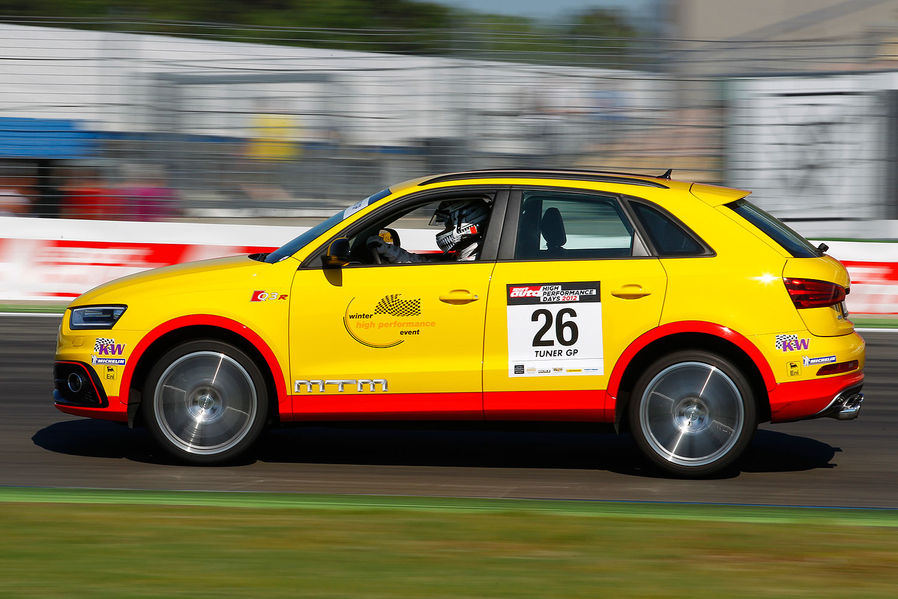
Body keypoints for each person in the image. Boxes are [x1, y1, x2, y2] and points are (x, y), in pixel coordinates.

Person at [367, 199, 490, 264]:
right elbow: (426, 265)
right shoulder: (469, 252)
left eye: (448, 225)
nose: (445, 230)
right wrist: (389, 251)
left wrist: (390, 252)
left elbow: (429, 273)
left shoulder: (473, 260)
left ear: (466, 224)